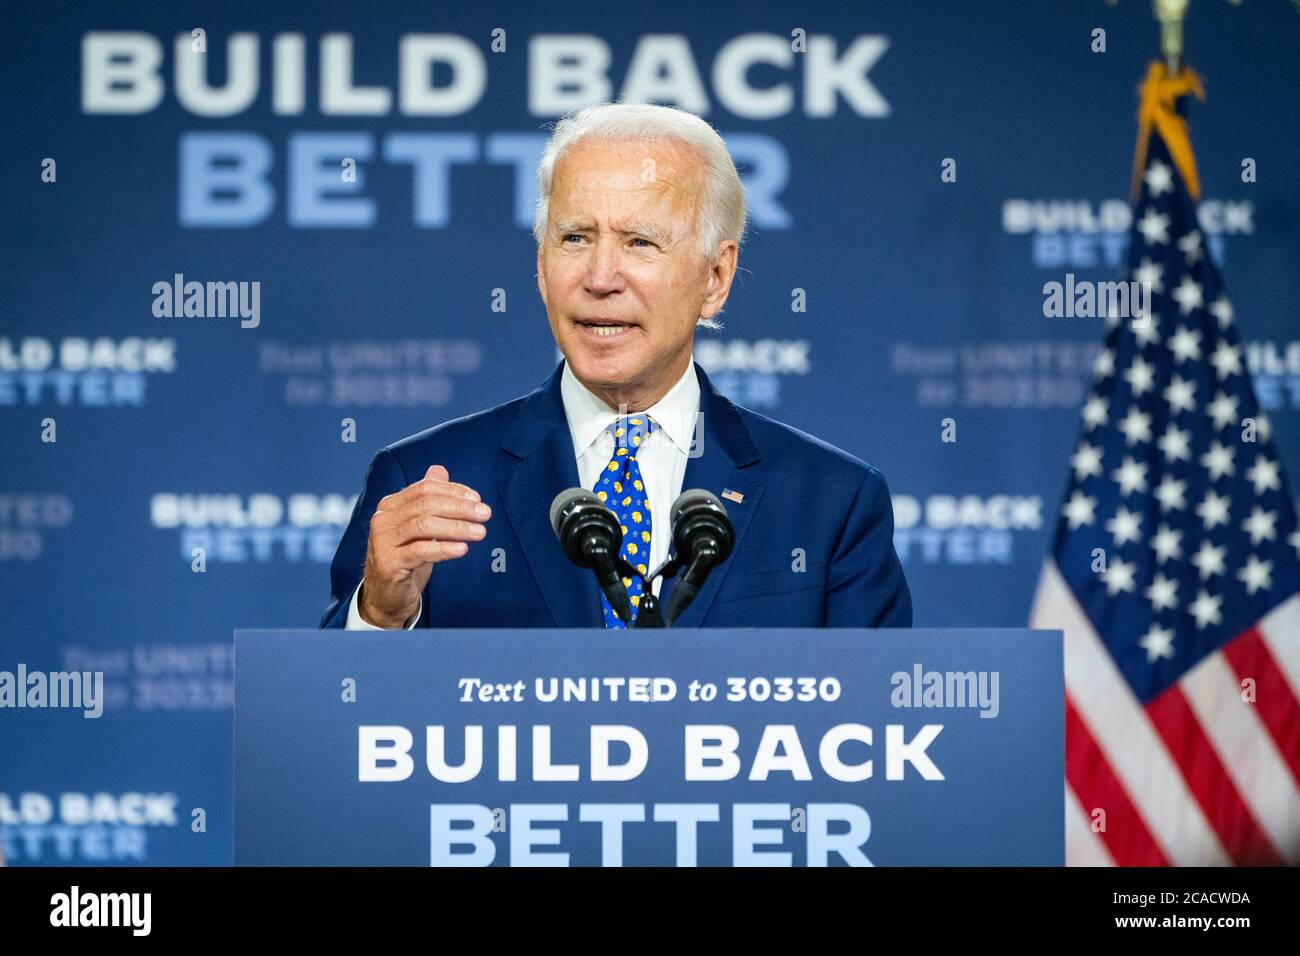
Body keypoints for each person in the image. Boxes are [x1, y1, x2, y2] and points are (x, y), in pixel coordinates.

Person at [321, 102, 911, 630]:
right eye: (575, 238)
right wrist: (380, 615)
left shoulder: (831, 501)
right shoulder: (426, 483)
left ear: (716, 277)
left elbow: (880, 728)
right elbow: (326, 717)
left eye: (640, 243)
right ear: (540, 266)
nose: (600, 279)